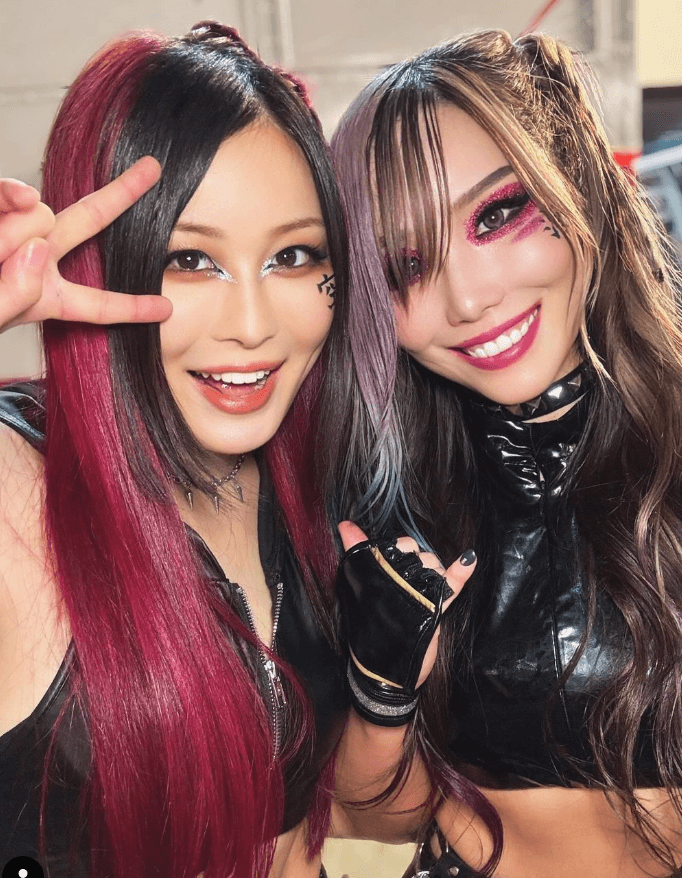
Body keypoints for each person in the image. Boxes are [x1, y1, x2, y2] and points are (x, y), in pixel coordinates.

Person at [0, 22, 354, 878]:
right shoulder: (15, 486)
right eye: (190, 259)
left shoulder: (305, 487)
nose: (253, 327)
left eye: (293, 255)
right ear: (97, 263)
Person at [330, 29, 682, 878]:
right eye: (405, 265)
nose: (467, 299)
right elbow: (367, 813)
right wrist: (381, 689)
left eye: (496, 214)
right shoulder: (387, 497)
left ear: (579, 185)